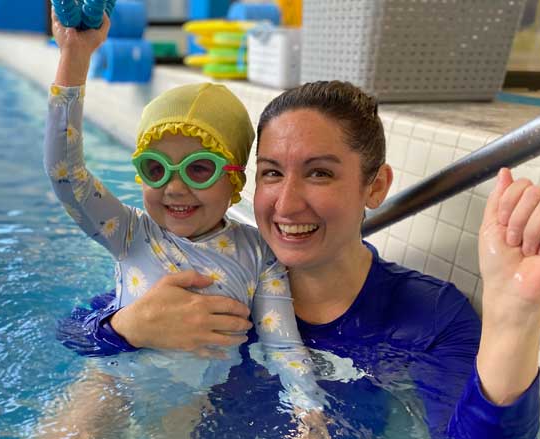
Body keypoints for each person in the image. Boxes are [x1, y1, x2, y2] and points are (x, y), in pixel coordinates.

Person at [58, 81, 540, 438]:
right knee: (96, 383)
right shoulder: (224, 274)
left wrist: (514, 323)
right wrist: (123, 328)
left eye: (318, 174)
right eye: (272, 173)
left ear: (375, 186)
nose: (287, 204)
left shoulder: (426, 317)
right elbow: (74, 331)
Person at [40, 12, 327, 438]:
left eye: (199, 170)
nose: (174, 187)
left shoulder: (258, 254)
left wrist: (309, 414)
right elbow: (66, 175)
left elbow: (282, 345)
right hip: (112, 379)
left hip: (190, 393)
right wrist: (74, 57)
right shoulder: (129, 231)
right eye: (155, 169)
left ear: (233, 181)